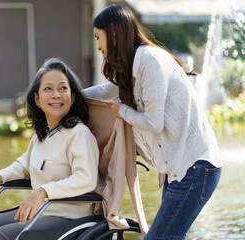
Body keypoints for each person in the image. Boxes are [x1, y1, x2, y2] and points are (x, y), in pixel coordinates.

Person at [84, 4, 222, 240]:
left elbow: (153, 122)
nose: (98, 45)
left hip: (195, 167)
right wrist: (70, 96)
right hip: (181, 169)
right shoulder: (133, 65)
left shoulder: (150, 61)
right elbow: (106, 91)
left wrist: (122, 111)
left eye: (99, 37)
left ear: (114, 33)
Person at [0, 58, 99, 240]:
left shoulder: (79, 134)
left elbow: (86, 178)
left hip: (69, 216)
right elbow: (24, 165)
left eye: (63, 88)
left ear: (72, 98)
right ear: (37, 99)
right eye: (48, 88)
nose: (56, 94)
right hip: (41, 211)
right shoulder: (42, 134)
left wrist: (44, 191)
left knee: (3, 235)